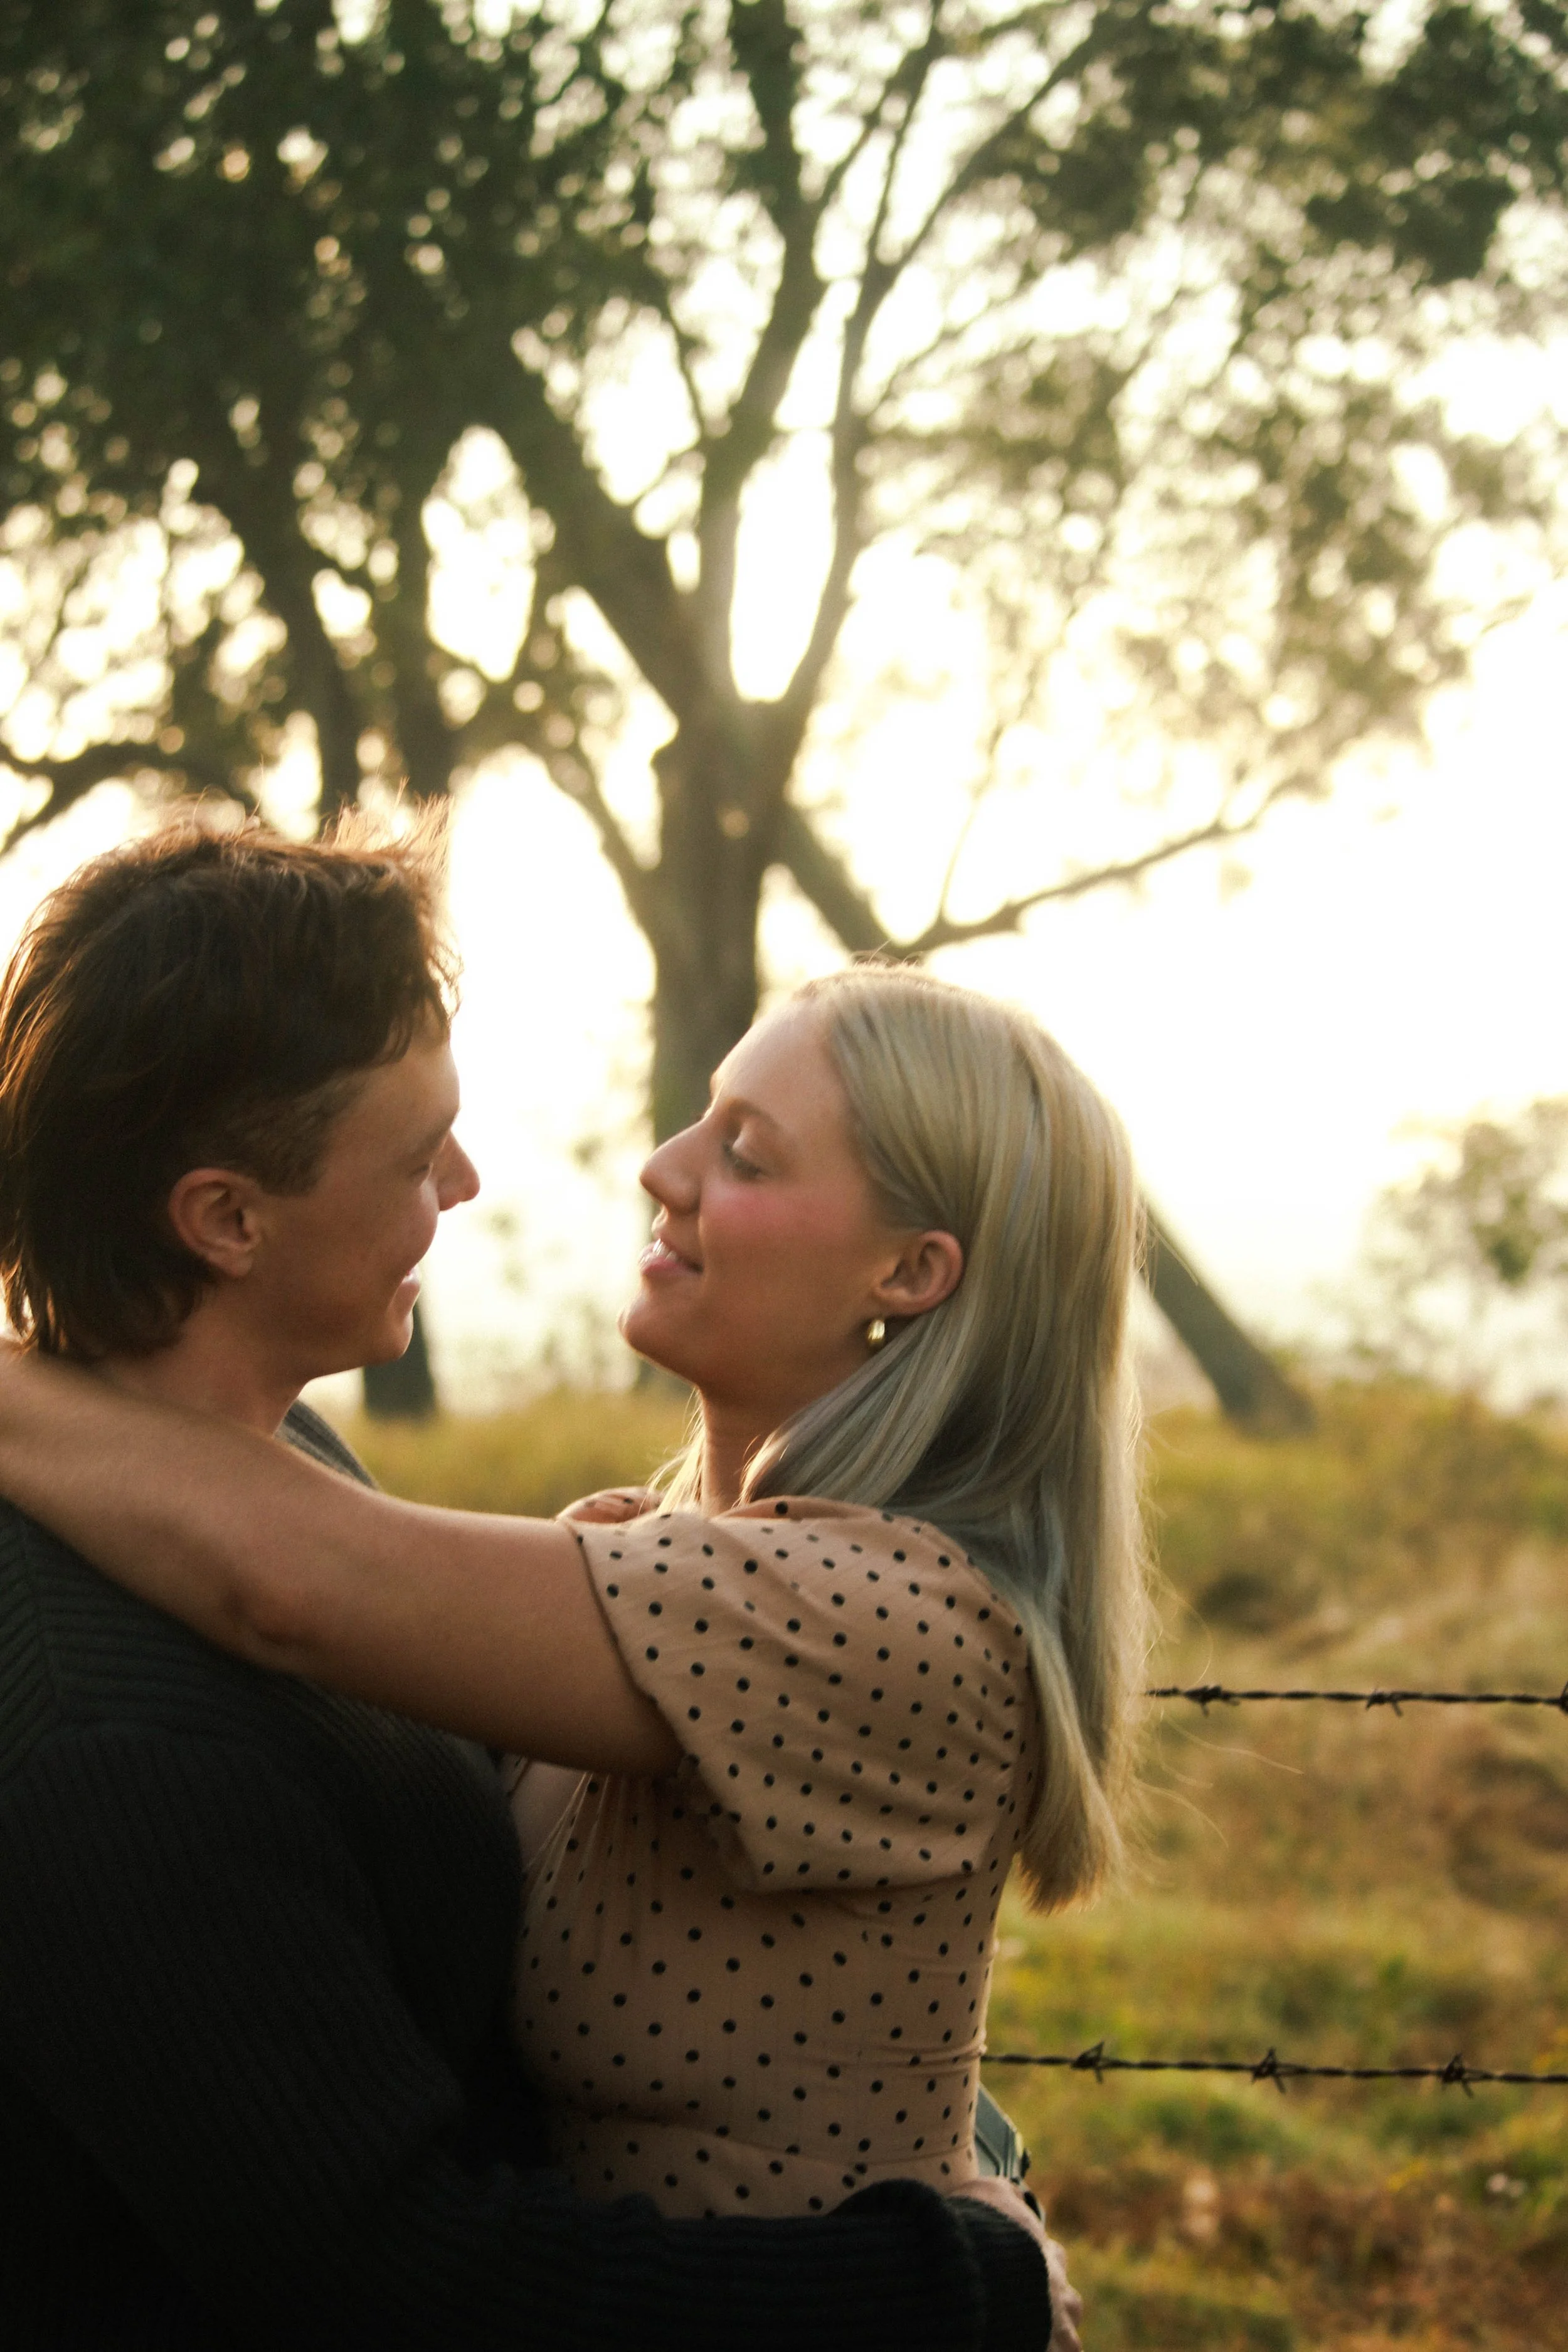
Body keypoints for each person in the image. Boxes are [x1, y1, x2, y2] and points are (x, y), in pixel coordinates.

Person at [0, 817, 1066, 2351]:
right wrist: (951, 2283)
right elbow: (403, 2290)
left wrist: (933, 2136)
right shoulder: (119, 1751)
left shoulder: (283, 1471)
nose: (468, 1176)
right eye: (411, 1149)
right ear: (227, 1219)